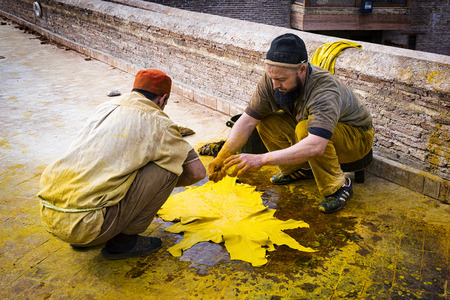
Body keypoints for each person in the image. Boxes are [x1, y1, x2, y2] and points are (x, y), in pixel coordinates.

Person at [38, 69, 206, 259]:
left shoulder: (105, 107)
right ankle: (123, 242)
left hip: (52, 215)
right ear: (163, 99)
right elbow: (197, 173)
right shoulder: (160, 123)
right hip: (88, 226)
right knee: (169, 168)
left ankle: (82, 235)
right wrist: (154, 188)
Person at [208, 33, 373, 213]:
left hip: (357, 138)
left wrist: (262, 159)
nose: (275, 85)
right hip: (317, 131)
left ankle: (338, 186)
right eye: (271, 77)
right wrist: (222, 157)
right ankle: (298, 169)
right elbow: (247, 121)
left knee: (305, 130)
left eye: (280, 80)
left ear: (302, 70)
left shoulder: (324, 89)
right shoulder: (273, 78)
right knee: (266, 121)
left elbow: (316, 145)